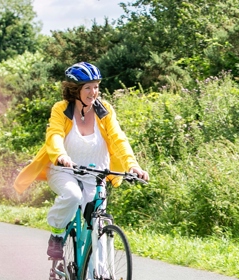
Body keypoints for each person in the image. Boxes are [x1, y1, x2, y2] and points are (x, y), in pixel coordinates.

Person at [13, 62, 149, 258]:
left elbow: (119, 139)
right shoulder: (61, 109)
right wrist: (61, 155)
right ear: (75, 90)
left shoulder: (105, 111)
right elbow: (54, 134)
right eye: (87, 87)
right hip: (64, 171)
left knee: (98, 228)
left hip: (96, 175)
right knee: (72, 195)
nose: (93, 92)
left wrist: (133, 165)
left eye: (96, 86)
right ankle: (57, 234)